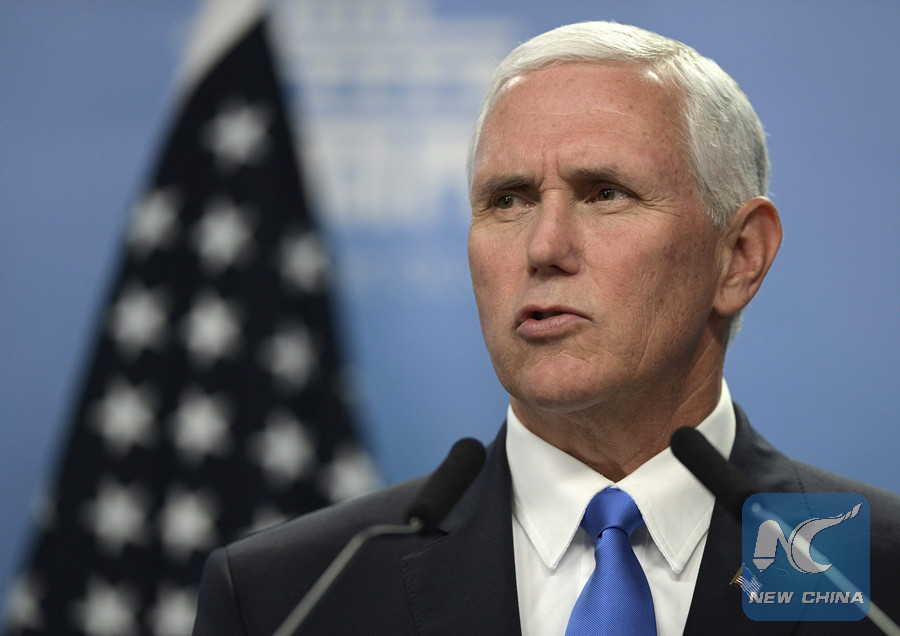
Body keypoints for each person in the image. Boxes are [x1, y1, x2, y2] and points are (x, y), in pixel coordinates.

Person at [192, 21, 900, 635]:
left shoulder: (879, 576)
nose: (543, 246)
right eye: (508, 200)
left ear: (739, 256)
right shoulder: (292, 597)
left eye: (605, 193)